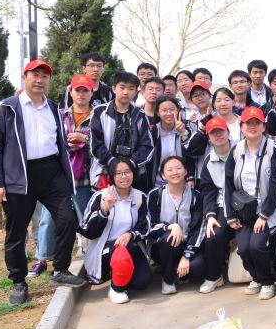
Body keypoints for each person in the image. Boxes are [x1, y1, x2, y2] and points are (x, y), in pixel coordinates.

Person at [0, 59, 87, 305]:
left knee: (67, 219)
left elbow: (57, 140)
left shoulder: (53, 108)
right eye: (35, 75)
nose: (40, 80)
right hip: (18, 176)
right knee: (17, 231)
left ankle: (60, 270)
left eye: (45, 76)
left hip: (51, 173)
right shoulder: (6, 107)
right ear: (25, 77)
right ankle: (19, 281)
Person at [224, 107, 276, 300]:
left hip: (267, 210)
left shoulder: (272, 148)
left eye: (257, 123)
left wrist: (264, 215)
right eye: (248, 123)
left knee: (257, 246)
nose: (252, 127)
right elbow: (228, 183)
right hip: (244, 211)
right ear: (241, 127)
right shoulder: (236, 150)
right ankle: (256, 278)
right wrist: (230, 215)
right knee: (243, 248)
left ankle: (267, 281)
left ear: (263, 126)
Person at [81, 157, 152, 304]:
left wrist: (130, 234)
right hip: (104, 250)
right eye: (118, 173)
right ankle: (116, 289)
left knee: (142, 281)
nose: (124, 176)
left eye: (127, 172)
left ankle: (118, 273)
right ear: (112, 176)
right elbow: (87, 231)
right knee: (124, 247)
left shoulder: (140, 197)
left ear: (134, 173)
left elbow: (145, 227)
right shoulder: (100, 196)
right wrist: (104, 211)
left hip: (130, 246)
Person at [147, 156, 205, 295]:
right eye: (170, 170)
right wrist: (170, 226)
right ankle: (168, 280)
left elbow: (198, 229)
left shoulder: (195, 196)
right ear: (163, 175)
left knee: (198, 267)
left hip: (186, 244)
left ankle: (179, 270)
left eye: (179, 168)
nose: (175, 172)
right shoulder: (155, 195)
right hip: (162, 245)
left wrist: (186, 255)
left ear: (185, 171)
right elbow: (150, 226)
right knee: (171, 237)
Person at [90, 71, 154, 193]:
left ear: (136, 91)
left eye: (131, 89)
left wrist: (131, 163)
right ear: (114, 88)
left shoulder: (140, 115)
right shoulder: (99, 112)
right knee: (106, 204)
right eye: (122, 87)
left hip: (134, 173)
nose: (126, 92)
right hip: (105, 173)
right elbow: (96, 144)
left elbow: (147, 145)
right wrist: (112, 162)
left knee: (135, 203)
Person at [198, 117, 236, 293]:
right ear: (209, 138)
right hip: (222, 204)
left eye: (221, 131)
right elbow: (208, 191)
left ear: (228, 132)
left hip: (247, 202)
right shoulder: (208, 160)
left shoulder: (242, 150)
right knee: (213, 235)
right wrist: (210, 215)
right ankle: (214, 276)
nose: (218, 135)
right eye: (213, 133)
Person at [62, 75, 97, 253]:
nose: (81, 94)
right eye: (77, 90)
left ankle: (90, 250)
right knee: (59, 218)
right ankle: (45, 256)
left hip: (88, 174)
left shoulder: (99, 115)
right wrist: (66, 145)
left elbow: (105, 143)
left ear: (92, 93)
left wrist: (85, 140)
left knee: (86, 213)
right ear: (71, 92)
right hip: (64, 174)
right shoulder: (61, 115)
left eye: (85, 90)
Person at [147, 96, 191, 190]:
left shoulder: (187, 128)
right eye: (164, 110)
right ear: (158, 113)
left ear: (178, 110)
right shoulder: (152, 132)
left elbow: (191, 154)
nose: (169, 113)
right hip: (157, 183)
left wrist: (183, 132)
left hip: (181, 182)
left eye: (172, 109)